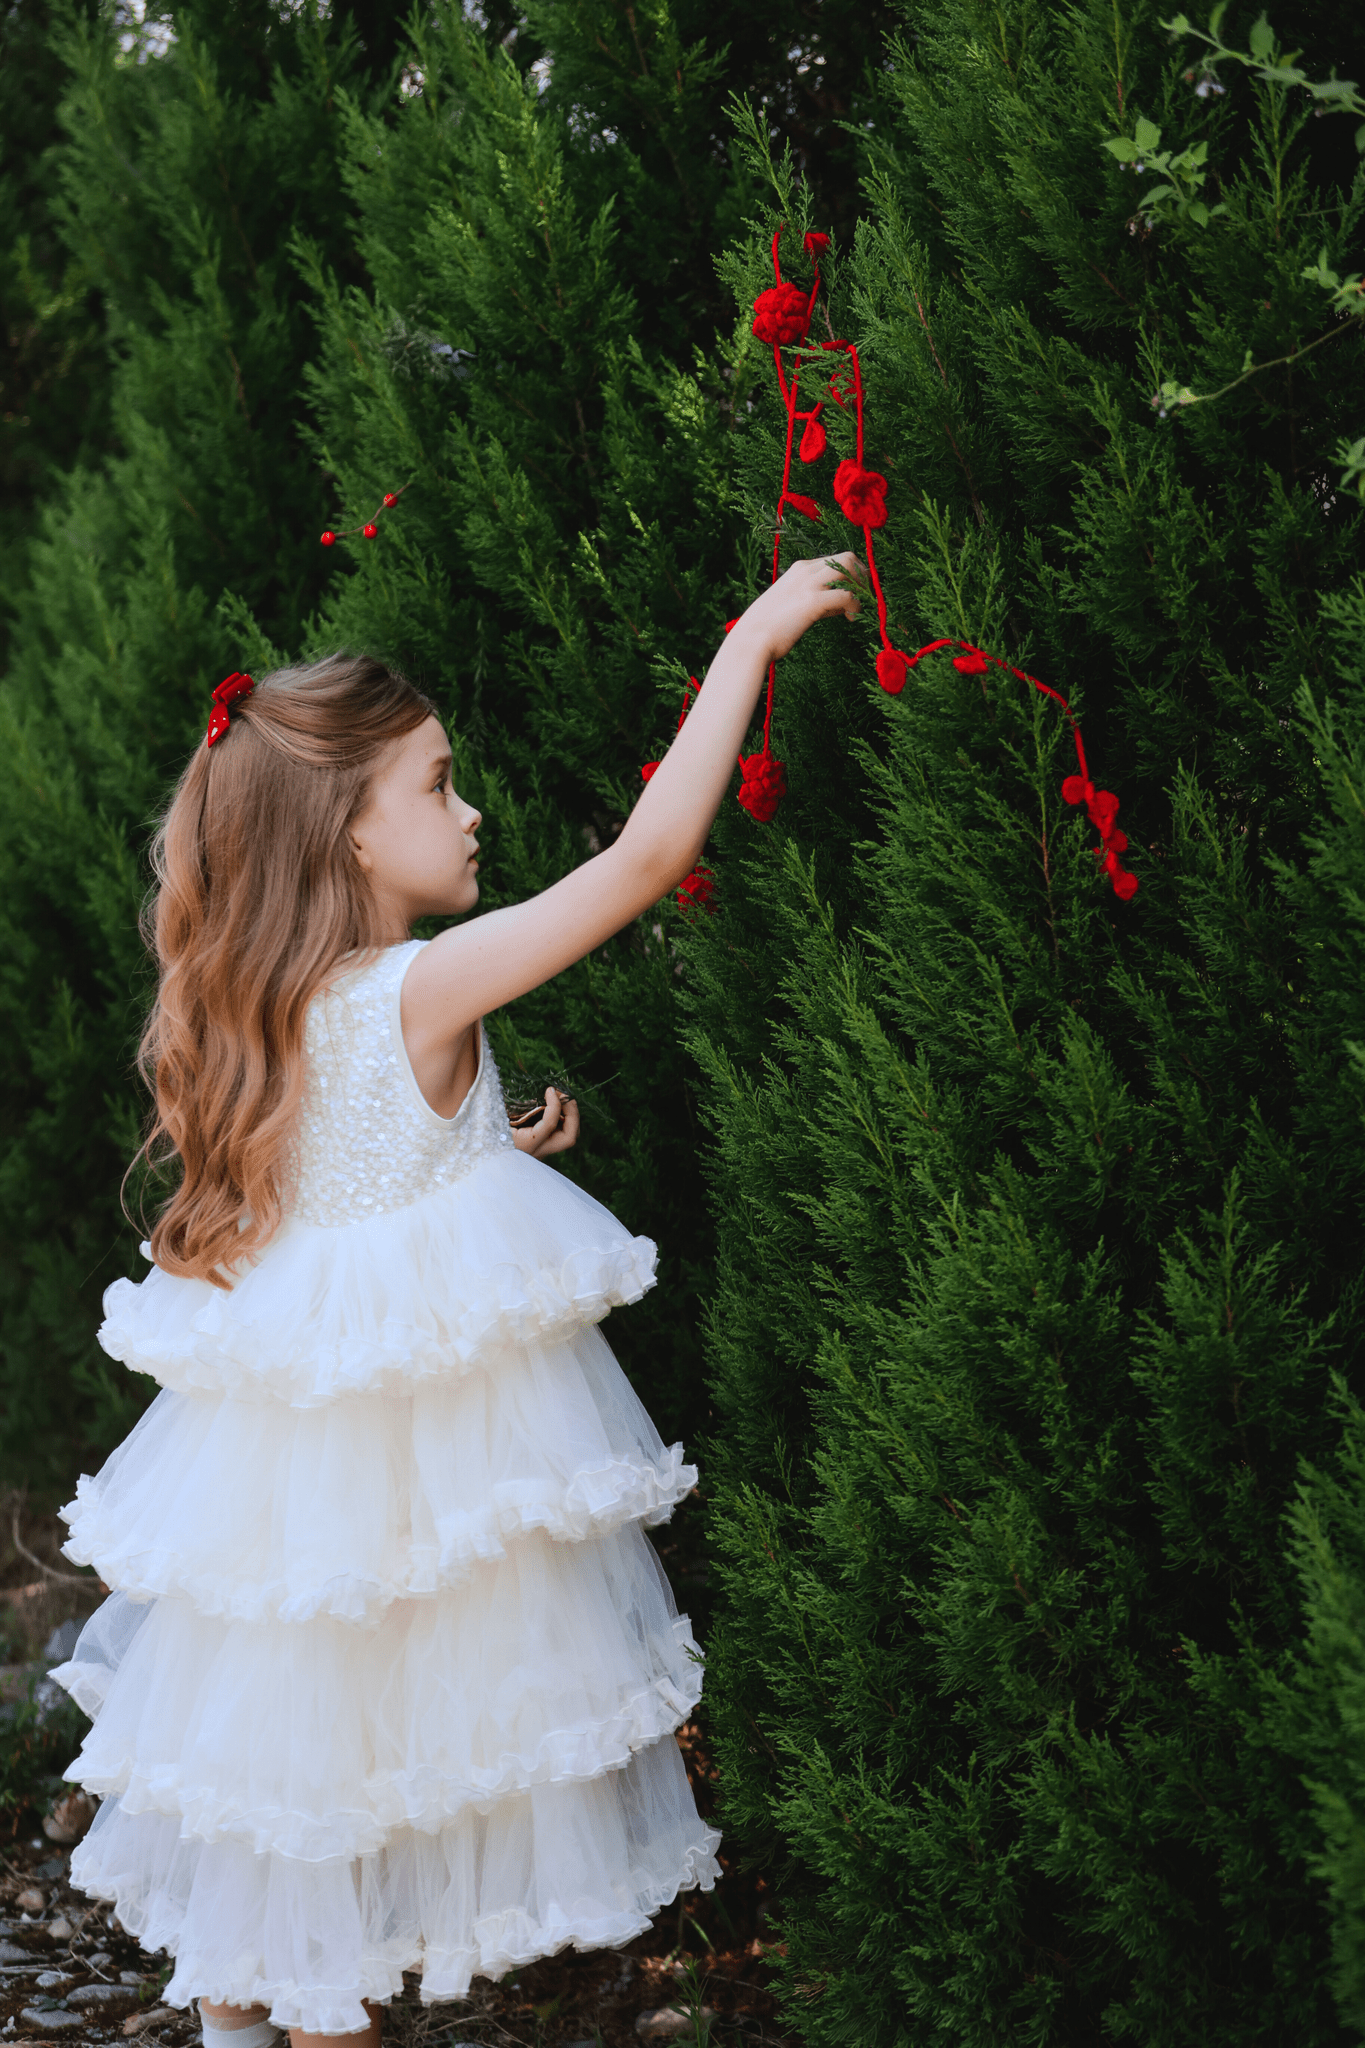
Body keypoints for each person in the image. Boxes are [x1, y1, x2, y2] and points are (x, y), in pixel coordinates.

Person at [50, 552, 863, 2048]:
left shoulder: (271, 1013)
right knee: (373, 1824)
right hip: (406, 1512)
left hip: (291, 1515)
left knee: (287, 1824)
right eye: (435, 785)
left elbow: (346, 1189)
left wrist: (489, 1148)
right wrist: (749, 636)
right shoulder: (415, 992)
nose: (469, 808)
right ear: (348, 836)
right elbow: (639, 864)